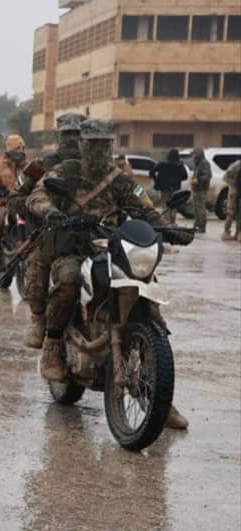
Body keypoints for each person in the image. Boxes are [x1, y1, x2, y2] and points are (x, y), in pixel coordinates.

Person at [26, 119, 193, 429]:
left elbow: (145, 207)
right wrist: (51, 211)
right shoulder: (65, 171)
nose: (100, 149)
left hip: (112, 248)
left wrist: (169, 228)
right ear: (83, 144)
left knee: (150, 308)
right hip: (73, 249)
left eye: (105, 144)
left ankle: (158, 396)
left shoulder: (121, 179)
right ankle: (53, 346)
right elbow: (36, 196)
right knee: (68, 280)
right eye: (94, 143)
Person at [23, 113, 84, 349]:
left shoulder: (102, 166)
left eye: (77, 134)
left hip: (95, 233)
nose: (72, 140)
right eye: (67, 134)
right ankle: (39, 319)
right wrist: (44, 212)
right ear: (59, 135)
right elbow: (22, 197)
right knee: (37, 265)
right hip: (53, 232)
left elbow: (134, 193)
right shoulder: (44, 165)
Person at [0, 134, 29, 273]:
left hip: (25, 202)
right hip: (5, 203)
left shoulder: (28, 167)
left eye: (22, 148)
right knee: (0, 216)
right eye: (17, 148)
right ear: (9, 150)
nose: (20, 151)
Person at [149, 149, 186, 225]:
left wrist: (156, 181)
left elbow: (151, 171)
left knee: (165, 204)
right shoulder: (180, 165)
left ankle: (166, 221)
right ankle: (172, 221)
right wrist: (177, 179)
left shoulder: (162, 164)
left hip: (164, 187)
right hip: (175, 188)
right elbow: (185, 176)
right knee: (174, 204)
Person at [189, 148, 212, 233]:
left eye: (193, 155)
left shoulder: (204, 163)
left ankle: (202, 226)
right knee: (196, 209)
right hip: (196, 189)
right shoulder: (198, 163)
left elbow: (207, 175)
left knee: (200, 209)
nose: (192, 157)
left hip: (201, 189)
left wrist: (198, 180)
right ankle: (197, 224)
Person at [224, 159, 241, 241]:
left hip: (234, 191)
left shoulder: (235, 164)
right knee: (232, 213)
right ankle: (229, 232)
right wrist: (233, 186)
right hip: (234, 191)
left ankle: (234, 233)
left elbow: (225, 177)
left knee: (234, 213)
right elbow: (226, 177)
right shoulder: (236, 165)